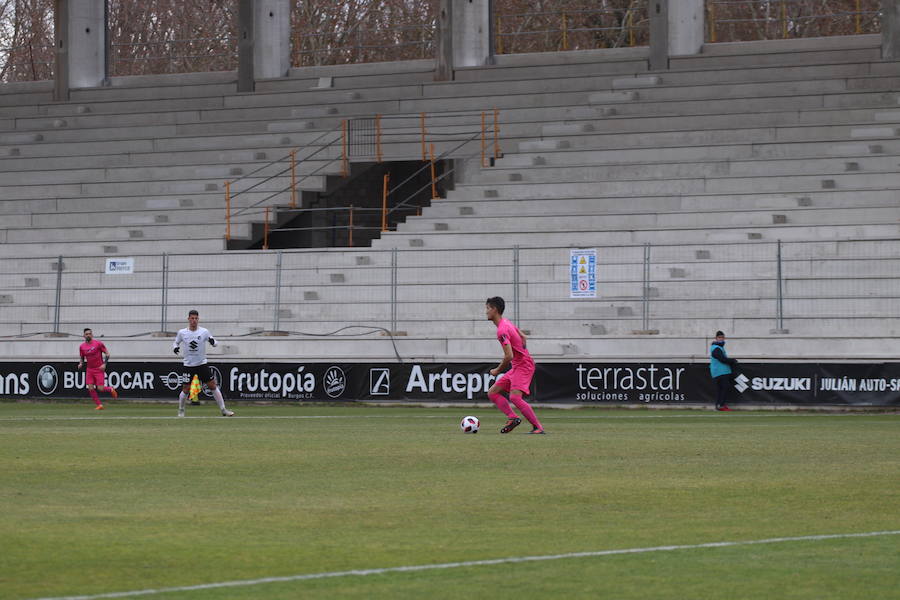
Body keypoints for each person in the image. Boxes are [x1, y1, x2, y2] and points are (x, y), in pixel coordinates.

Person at [485, 296, 545, 434]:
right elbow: (523, 336)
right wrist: (523, 350)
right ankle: (512, 418)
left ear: (494, 309)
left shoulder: (501, 330)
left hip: (523, 365)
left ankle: (538, 427)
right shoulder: (506, 323)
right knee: (493, 393)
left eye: (488, 308)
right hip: (519, 364)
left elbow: (509, 356)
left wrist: (497, 370)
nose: (486, 312)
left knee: (514, 397)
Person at [173, 310, 234, 417]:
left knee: (213, 386)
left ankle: (223, 410)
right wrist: (175, 348)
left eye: (196, 318)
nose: (194, 321)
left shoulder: (204, 331)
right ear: (188, 319)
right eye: (192, 318)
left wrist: (213, 342)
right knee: (186, 389)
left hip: (201, 364)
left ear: (198, 319)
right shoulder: (182, 332)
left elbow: (215, 343)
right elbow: (176, 342)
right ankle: (181, 410)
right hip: (188, 365)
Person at [78, 328, 118, 410]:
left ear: (92, 335)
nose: (88, 335)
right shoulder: (82, 346)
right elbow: (82, 357)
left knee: (100, 388)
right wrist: (81, 363)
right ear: (84, 336)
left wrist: (104, 364)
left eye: (89, 333)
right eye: (86, 334)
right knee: (90, 388)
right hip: (89, 370)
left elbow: (107, 354)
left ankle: (110, 389)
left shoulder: (98, 344)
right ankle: (99, 405)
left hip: (99, 369)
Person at [710, 330, 739, 411]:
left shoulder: (718, 347)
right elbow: (722, 359)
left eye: (722, 337)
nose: (721, 339)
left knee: (721, 389)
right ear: (716, 338)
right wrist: (732, 360)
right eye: (719, 337)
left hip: (721, 371)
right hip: (720, 372)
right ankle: (721, 405)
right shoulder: (716, 348)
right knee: (723, 388)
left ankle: (719, 405)